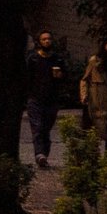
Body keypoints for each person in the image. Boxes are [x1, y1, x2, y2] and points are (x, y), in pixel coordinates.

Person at [26, 30, 69, 169]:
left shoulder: (57, 59)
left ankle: (44, 153)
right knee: (37, 127)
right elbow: (26, 77)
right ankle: (39, 154)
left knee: (46, 128)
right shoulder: (33, 59)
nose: (47, 41)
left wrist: (60, 76)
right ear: (39, 42)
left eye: (49, 39)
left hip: (52, 99)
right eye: (44, 39)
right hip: (35, 98)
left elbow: (66, 78)